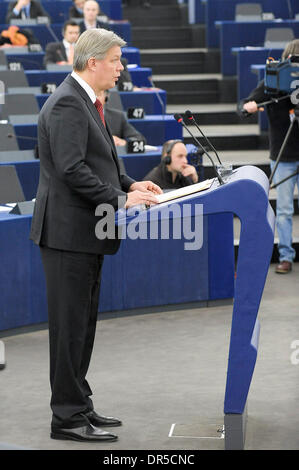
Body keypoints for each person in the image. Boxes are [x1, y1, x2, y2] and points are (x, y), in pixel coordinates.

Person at [30, 27, 161, 442]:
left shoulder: (88, 101)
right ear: (93, 63)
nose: (121, 68)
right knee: (70, 329)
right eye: (116, 61)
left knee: (82, 327)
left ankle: (79, 403)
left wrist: (129, 185)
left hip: (85, 232)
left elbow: (99, 161)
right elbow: (72, 170)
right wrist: (121, 202)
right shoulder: (69, 103)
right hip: (68, 234)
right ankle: (66, 418)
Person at [242, 39, 299, 274]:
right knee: (284, 209)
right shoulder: (272, 82)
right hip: (283, 154)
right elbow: (245, 104)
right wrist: (250, 107)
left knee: (285, 210)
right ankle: (286, 255)